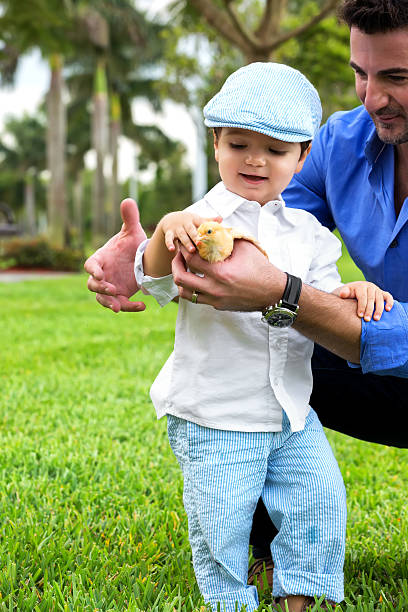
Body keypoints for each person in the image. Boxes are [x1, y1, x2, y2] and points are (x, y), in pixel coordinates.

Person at [84, 0, 408, 596]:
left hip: (367, 376)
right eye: (362, 73)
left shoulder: (313, 183)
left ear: (298, 152)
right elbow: (244, 241)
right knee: (232, 489)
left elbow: (295, 281)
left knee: (316, 470)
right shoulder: (332, 148)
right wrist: (153, 250)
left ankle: (297, 575)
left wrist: (299, 296)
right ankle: (254, 573)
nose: (370, 98)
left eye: (398, 77)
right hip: (237, 405)